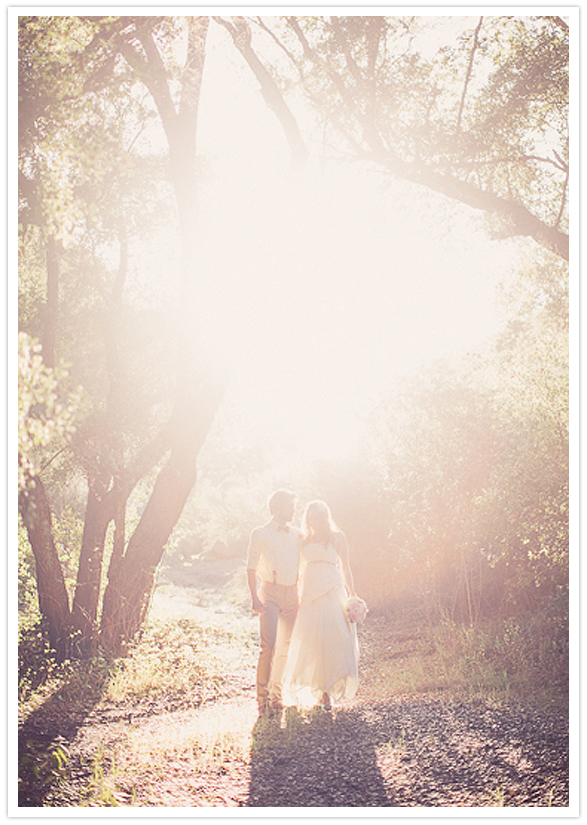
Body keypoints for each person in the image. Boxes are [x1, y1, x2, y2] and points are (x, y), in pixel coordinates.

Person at [283, 499, 359, 710]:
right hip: (309, 592)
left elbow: (346, 567)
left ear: (325, 517)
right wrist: (294, 595)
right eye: (311, 516)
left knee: (334, 635)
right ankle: (319, 691)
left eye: (319, 516)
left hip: (333, 588)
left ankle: (330, 688)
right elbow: (296, 571)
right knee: (311, 638)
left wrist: (352, 594)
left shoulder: (337, 537)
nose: (314, 520)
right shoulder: (303, 540)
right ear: (307, 518)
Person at [246, 489, 302, 715]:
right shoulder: (260, 533)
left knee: (285, 647)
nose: (294, 510)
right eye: (291, 506)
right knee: (268, 645)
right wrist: (254, 596)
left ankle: (276, 696)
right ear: (279, 507)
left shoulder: (297, 534)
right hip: (269, 593)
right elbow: (250, 567)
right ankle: (262, 698)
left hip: (292, 594)